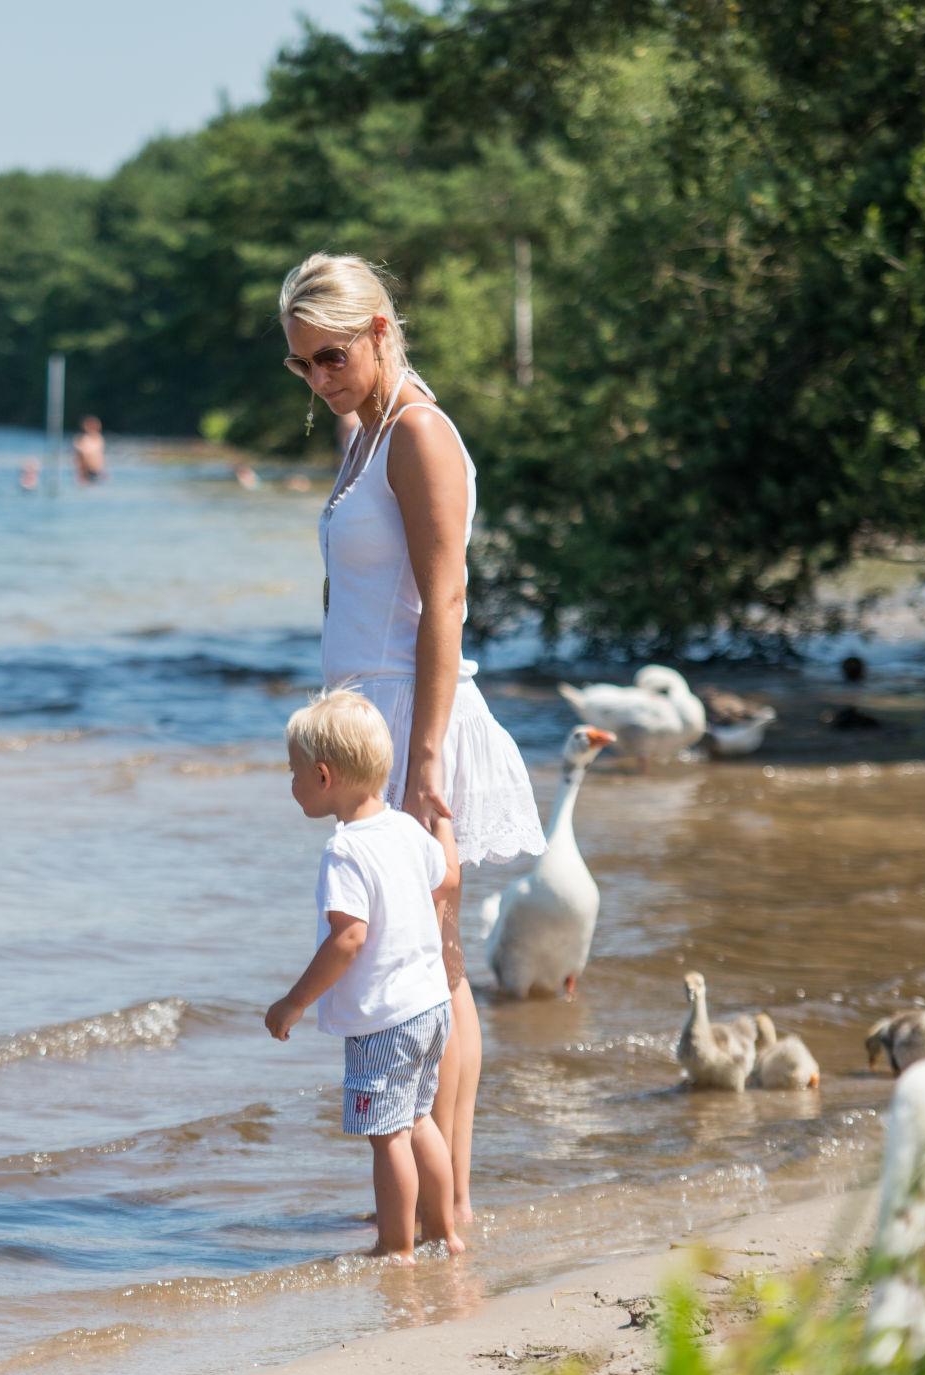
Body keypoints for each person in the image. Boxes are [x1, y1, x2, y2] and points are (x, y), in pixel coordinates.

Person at [278, 252, 546, 1237]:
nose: (317, 378)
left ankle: (453, 1201)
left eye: (330, 355)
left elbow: (445, 602)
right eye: (300, 363)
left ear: (381, 330)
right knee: (402, 965)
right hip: (364, 724)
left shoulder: (418, 435)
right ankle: (429, 1197)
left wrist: (424, 759)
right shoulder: (361, 431)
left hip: (412, 723)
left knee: (430, 966)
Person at [264, 690, 459, 1258]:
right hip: (430, 1005)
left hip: (385, 1020)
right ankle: (444, 1234)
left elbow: (348, 939)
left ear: (324, 776)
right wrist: (443, 824)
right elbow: (444, 880)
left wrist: (293, 1003)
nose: (291, 784)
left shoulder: (344, 852)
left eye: (293, 773)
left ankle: (395, 1248)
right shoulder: (404, 828)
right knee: (421, 1121)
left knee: (388, 1135)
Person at [71, 416, 107, 483]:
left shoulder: (99, 438)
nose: (94, 427)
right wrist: (82, 474)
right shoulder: (82, 440)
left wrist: (102, 471)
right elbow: (79, 457)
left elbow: (100, 457)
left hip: (97, 471)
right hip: (87, 472)